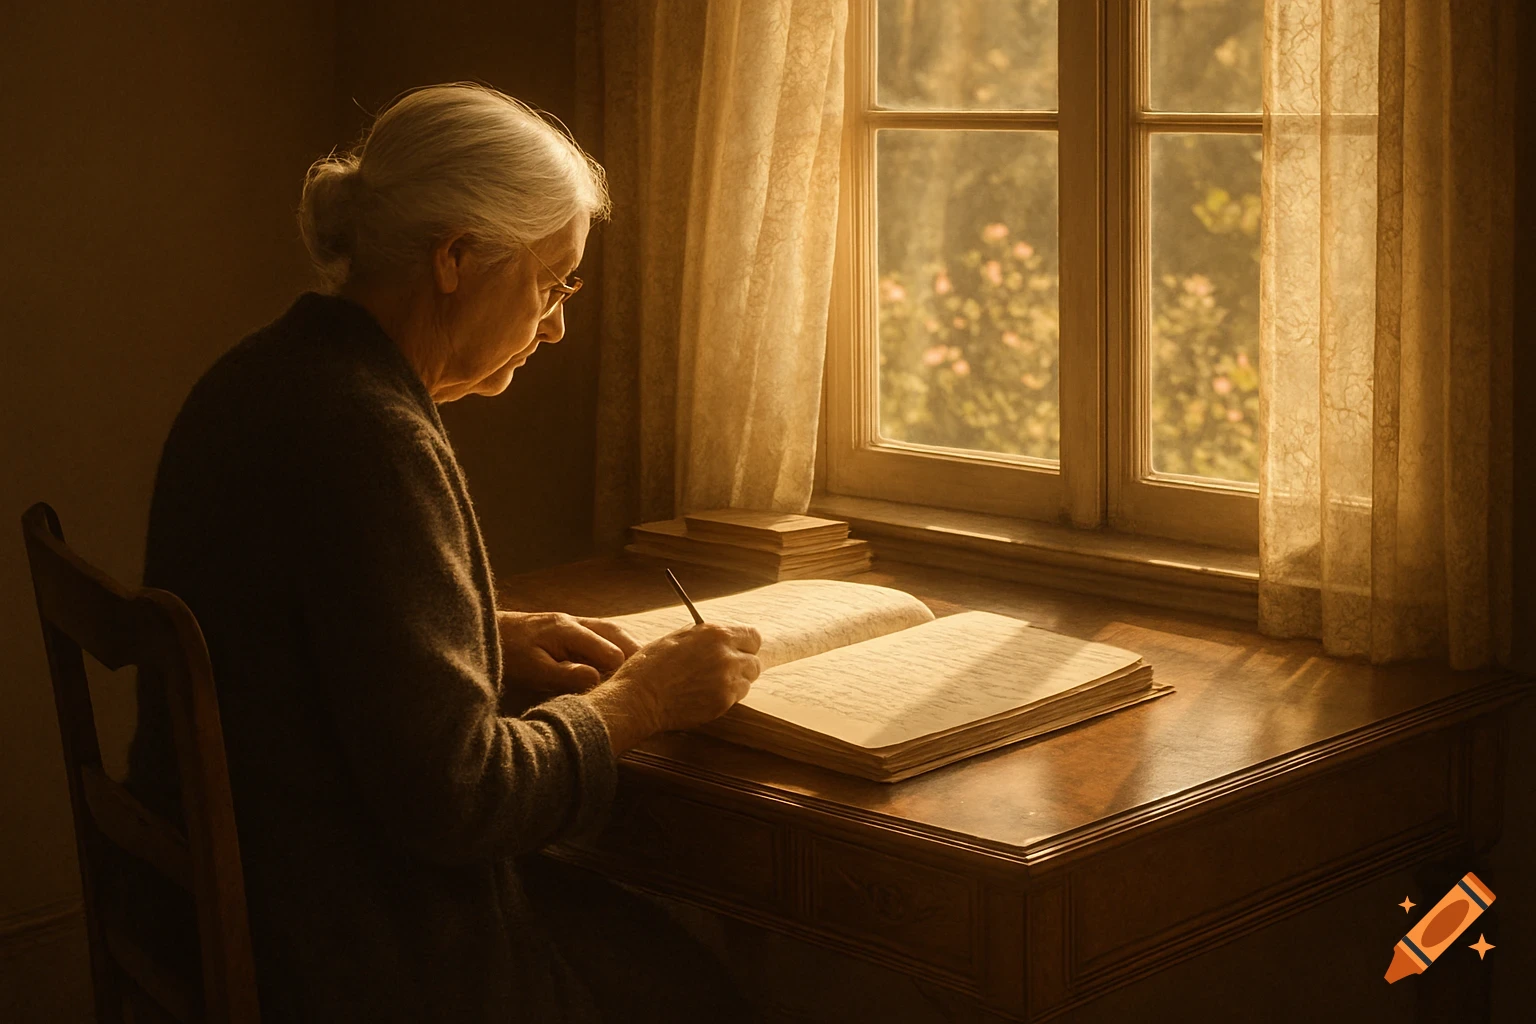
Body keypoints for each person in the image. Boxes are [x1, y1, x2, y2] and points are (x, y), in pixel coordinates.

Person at [124, 82, 762, 1022]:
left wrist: (482, 633)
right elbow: (465, 799)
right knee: (708, 989)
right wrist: (645, 700)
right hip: (354, 957)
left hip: (236, 907)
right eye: (550, 282)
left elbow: (295, 637)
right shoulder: (370, 436)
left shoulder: (266, 374)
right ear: (456, 258)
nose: (556, 324)